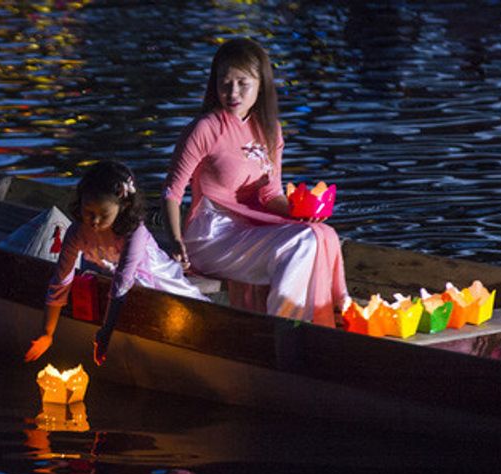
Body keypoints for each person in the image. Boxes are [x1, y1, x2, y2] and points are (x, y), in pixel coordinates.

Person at [162, 37, 348, 327]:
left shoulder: (270, 130)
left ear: (260, 84)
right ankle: (281, 329)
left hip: (251, 229)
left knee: (321, 232)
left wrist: (300, 212)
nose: (232, 92)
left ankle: (308, 322)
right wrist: (175, 242)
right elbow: (172, 193)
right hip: (212, 236)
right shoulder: (205, 128)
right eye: (225, 83)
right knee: (304, 241)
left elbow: (270, 194)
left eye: (242, 83)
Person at [25, 160, 209, 366]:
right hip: (110, 271)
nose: (94, 222)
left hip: (149, 273)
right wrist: (47, 332)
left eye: (103, 215)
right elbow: (61, 280)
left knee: (184, 309)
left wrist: (105, 332)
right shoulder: (77, 232)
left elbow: (122, 283)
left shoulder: (134, 233)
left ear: (122, 207)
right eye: (88, 213)